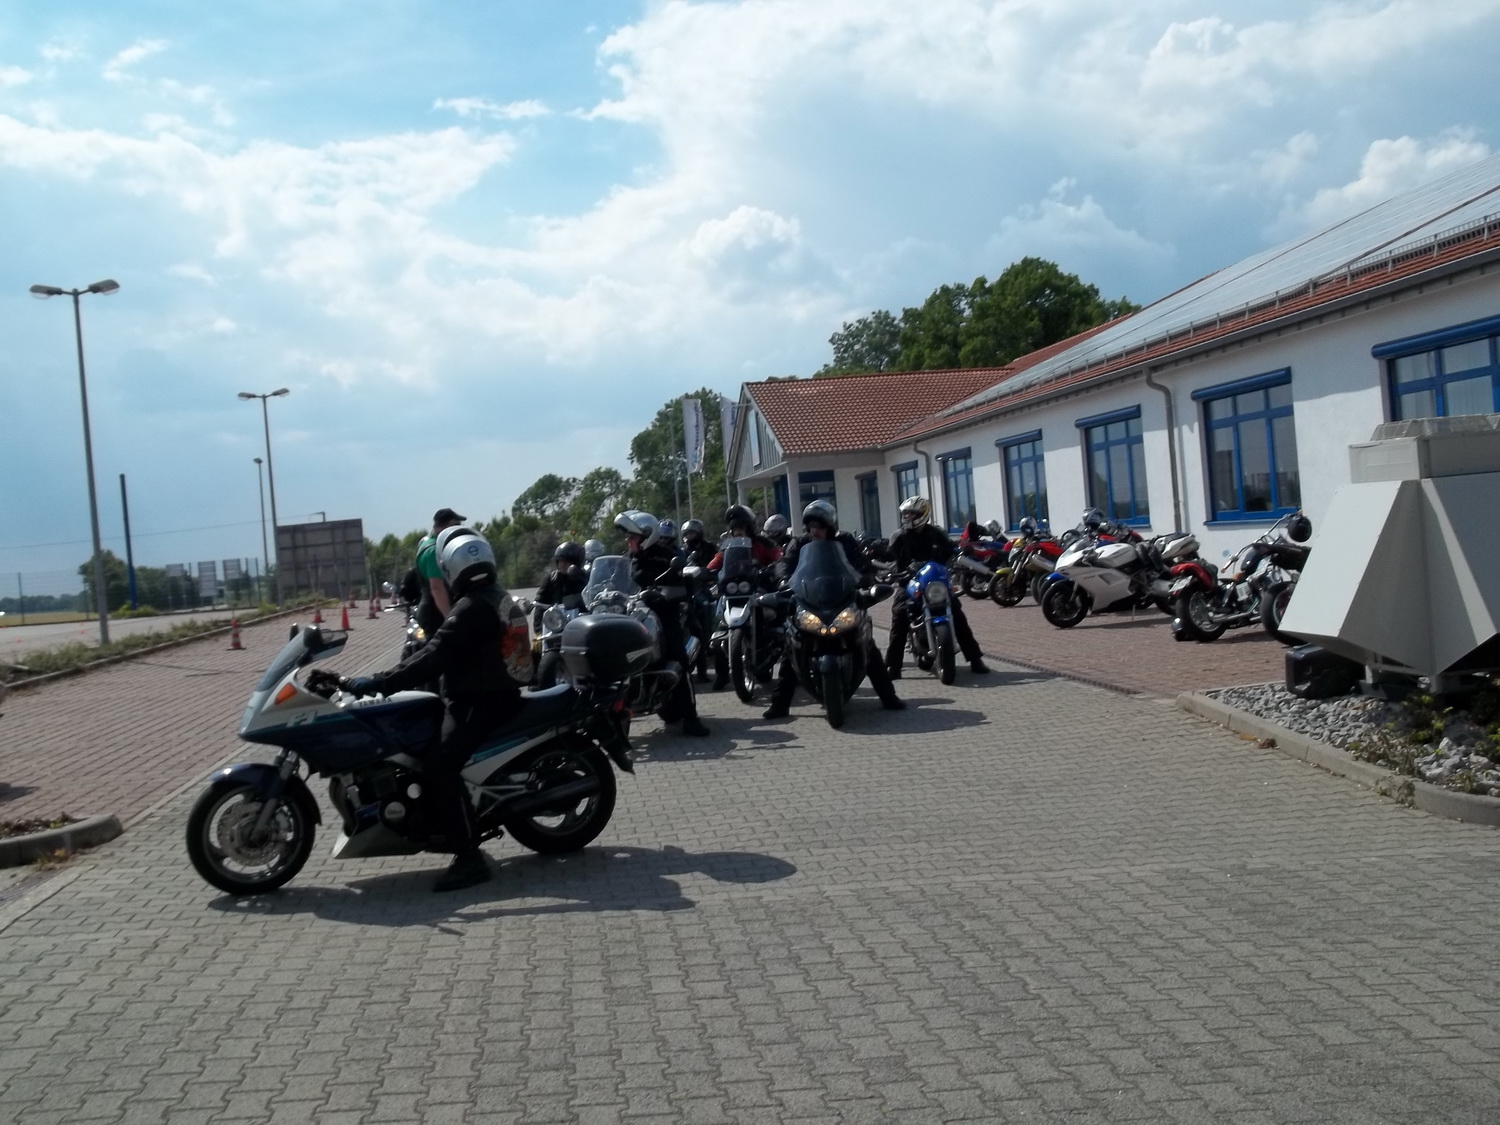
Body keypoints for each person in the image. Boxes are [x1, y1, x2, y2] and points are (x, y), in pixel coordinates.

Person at [340, 526, 533, 892]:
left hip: (481, 701)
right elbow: (439, 651)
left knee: (439, 767)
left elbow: (435, 656)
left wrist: (379, 682)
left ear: (451, 569)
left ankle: (470, 859)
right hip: (491, 695)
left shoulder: (471, 607)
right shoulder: (493, 596)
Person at [763, 500, 904, 719]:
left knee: (866, 643)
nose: (815, 531)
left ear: (830, 526)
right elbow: (785, 563)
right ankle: (779, 704)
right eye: (811, 526)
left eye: (820, 526)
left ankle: (889, 696)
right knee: (793, 648)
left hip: (842, 600)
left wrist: (866, 576)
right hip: (810, 602)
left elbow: (860, 562)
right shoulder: (799, 543)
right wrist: (783, 580)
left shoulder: (845, 540)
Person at [616, 509, 711, 737]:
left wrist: (663, 594)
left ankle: (691, 718)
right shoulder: (625, 559)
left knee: (678, 658)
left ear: (646, 536)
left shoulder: (666, 556)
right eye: (627, 537)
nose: (628, 541)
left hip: (662, 614)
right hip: (632, 616)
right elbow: (614, 583)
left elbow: (679, 585)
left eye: (632, 537)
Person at [885, 496, 990, 677]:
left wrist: (961, 553)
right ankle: (893, 666)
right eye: (906, 514)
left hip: (935, 584)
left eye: (912, 513)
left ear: (923, 514)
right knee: (900, 615)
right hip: (909, 583)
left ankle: (975, 659)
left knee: (957, 613)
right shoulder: (898, 536)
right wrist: (895, 568)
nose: (907, 517)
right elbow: (890, 558)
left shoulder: (937, 533)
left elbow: (950, 551)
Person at [707, 505, 782, 690]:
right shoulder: (727, 546)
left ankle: (771, 653)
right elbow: (716, 562)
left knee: (778, 614)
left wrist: (776, 566)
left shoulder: (763, 543)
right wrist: (705, 571)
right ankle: (722, 675)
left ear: (749, 528)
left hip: (756, 587)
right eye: (735, 528)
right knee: (718, 630)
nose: (738, 531)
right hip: (732, 591)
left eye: (741, 527)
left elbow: (778, 557)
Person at [533, 541, 589, 687]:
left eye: (567, 561)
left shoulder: (585, 579)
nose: (562, 564)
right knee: (535, 646)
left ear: (576, 563)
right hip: (555, 623)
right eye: (560, 561)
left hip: (578, 624)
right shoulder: (551, 579)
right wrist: (538, 630)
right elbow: (539, 603)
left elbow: (592, 598)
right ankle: (537, 679)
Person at [414, 508, 466, 641]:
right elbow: (437, 588)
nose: (458, 529)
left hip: (433, 610)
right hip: (435, 614)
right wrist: (449, 618)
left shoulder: (429, 544)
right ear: (445, 527)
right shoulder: (434, 551)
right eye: (456, 525)